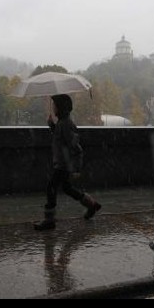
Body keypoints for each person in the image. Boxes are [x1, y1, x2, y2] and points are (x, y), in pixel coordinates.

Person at [33, 94, 102, 231]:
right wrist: (52, 126)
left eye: (55, 106)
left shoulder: (66, 124)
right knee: (67, 188)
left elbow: (75, 147)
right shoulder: (62, 123)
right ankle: (91, 205)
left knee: (51, 188)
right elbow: (61, 139)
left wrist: (75, 168)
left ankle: (49, 220)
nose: (53, 108)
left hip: (64, 165)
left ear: (61, 108)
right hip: (62, 163)